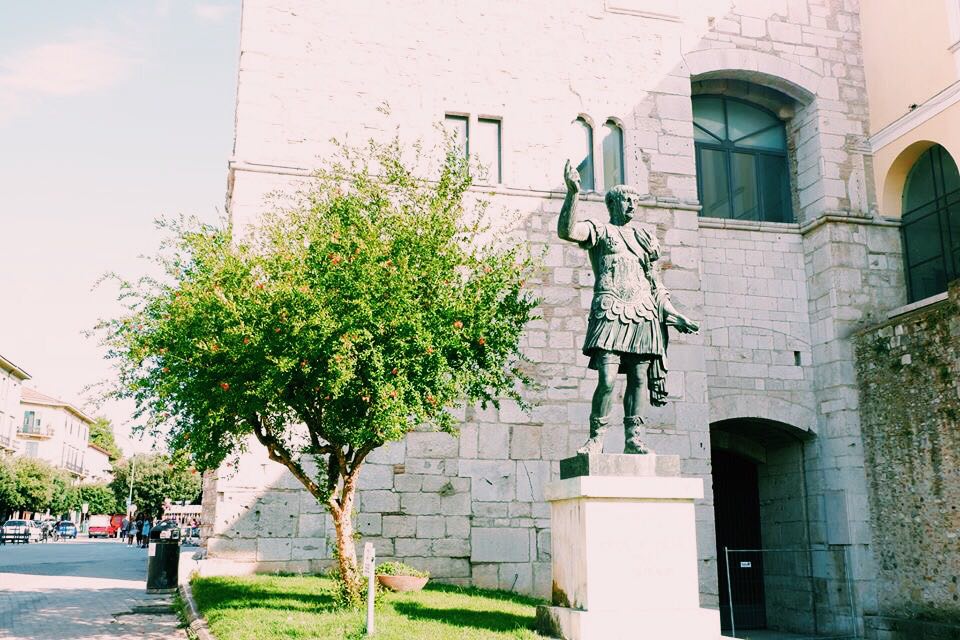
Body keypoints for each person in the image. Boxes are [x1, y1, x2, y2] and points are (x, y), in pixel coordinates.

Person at [557, 160, 699, 454]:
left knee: (638, 378)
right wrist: (573, 193)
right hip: (610, 309)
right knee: (607, 379)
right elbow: (567, 231)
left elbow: (654, 281)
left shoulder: (644, 238)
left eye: (635, 201)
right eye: (627, 200)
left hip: (644, 312)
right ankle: (596, 437)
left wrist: (672, 312)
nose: (633, 206)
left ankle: (634, 438)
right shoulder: (600, 231)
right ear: (612, 203)